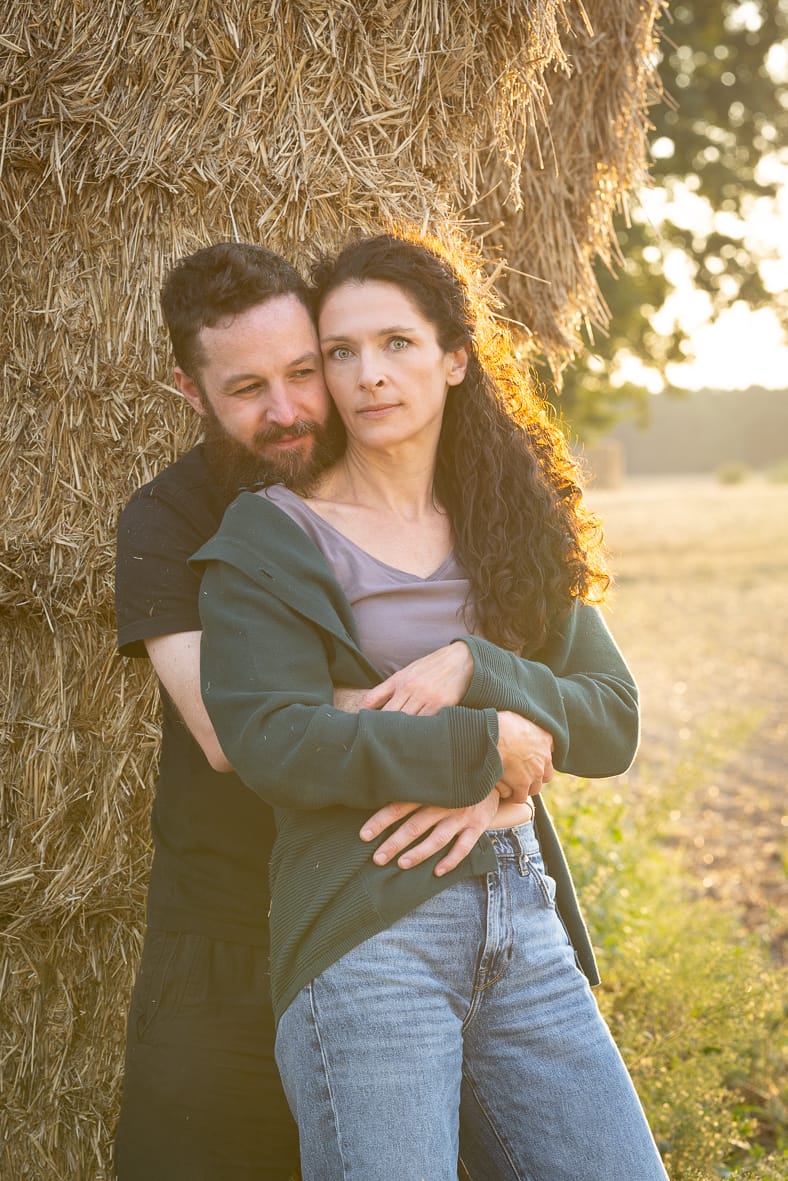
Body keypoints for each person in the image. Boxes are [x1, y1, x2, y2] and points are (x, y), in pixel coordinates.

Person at [193, 232, 670, 1181]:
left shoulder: (510, 522)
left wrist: (475, 666)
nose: (368, 374)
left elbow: (611, 720)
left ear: (456, 357)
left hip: (524, 919)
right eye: (341, 352)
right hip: (369, 936)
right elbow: (273, 740)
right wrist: (485, 746)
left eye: (397, 344)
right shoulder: (271, 535)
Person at [113, 240, 552, 1180]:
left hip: (417, 898)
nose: (288, 411)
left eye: (306, 371)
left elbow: (545, 681)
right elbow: (240, 731)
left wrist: (492, 751)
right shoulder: (172, 517)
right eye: (246, 389)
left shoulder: (421, 486)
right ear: (193, 395)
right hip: (230, 917)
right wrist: (470, 741)